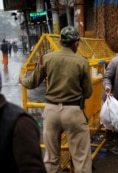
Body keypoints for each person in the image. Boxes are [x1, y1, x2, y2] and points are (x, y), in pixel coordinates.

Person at [19, 26, 93, 173]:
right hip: (73, 112)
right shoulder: (81, 62)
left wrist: (21, 79)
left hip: (51, 112)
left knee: (51, 159)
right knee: (81, 159)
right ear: (76, 43)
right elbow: (88, 92)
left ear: (60, 42)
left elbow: (31, 83)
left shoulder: (46, 59)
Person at [0, 72, 46, 173]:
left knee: (52, 157)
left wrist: (23, 80)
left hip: (53, 110)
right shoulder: (21, 122)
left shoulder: (20, 124)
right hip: (73, 109)